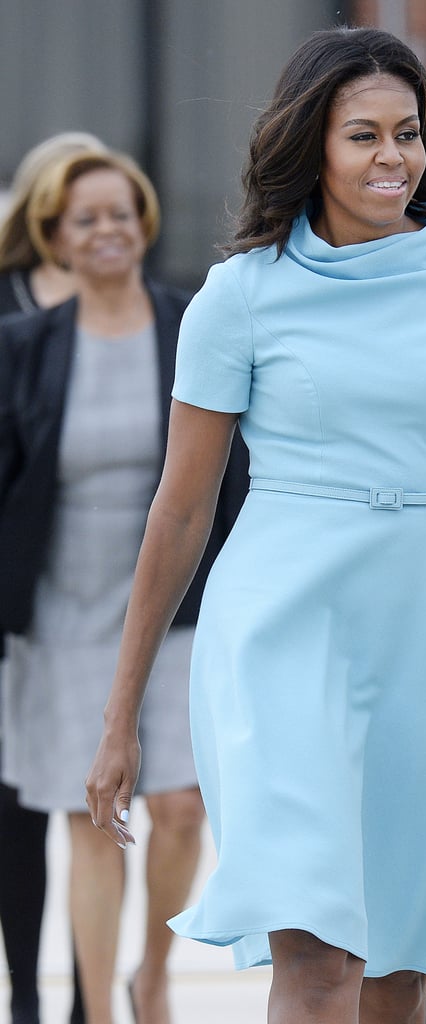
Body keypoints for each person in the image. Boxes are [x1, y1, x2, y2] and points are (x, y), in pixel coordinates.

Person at [84, 26, 426, 1024]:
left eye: (409, 135)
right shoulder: (240, 295)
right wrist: (120, 714)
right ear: (312, 147)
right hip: (277, 629)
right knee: (319, 956)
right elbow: (180, 509)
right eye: (364, 136)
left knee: (396, 975)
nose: (394, 159)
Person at [0, 148, 248, 1024]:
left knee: (181, 806)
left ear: (143, 222)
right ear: (55, 240)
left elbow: (234, 470)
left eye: (119, 212)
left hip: (180, 604)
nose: (106, 230)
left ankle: (152, 974)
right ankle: (98, 1013)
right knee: (89, 816)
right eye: (84, 219)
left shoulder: (191, 326)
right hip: (62, 615)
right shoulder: (22, 348)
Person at [0, 130, 108, 1024]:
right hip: (19, 596)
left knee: (91, 805)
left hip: (107, 590)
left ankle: (90, 996)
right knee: (15, 806)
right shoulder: (7, 313)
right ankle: (25, 993)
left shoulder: (145, 313)